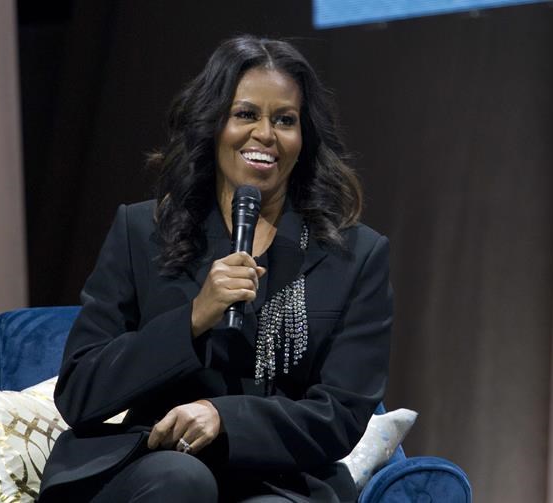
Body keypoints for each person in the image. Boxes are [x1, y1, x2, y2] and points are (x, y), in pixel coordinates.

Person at [38, 34, 392, 503]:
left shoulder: (355, 255)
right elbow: (80, 391)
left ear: (304, 137)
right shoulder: (143, 231)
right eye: (245, 114)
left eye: (284, 120)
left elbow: (341, 413)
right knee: (183, 479)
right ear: (213, 123)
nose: (265, 134)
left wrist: (224, 416)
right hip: (155, 464)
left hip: (277, 478)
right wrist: (192, 319)